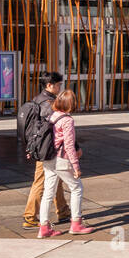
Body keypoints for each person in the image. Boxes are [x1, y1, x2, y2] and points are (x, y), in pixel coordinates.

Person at [18, 71, 69, 230]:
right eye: (58, 84)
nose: (60, 87)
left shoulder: (37, 99)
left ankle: (63, 211)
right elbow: (56, 127)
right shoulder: (49, 103)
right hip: (47, 149)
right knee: (41, 181)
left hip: (43, 147)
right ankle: (30, 217)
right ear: (49, 85)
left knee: (57, 178)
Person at [38, 90, 92, 238]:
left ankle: (44, 228)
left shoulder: (52, 116)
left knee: (48, 193)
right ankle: (76, 224)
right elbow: (69, 145)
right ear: (72, 104)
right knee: (77, 188)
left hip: (48, 159)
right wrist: (76, 167)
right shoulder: (67, 120)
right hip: (61, 159)